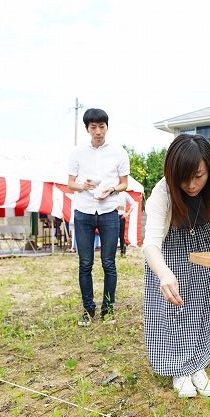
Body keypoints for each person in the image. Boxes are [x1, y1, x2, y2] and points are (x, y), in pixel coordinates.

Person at [143, 133, 210, 398]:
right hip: (170, 250)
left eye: (199, 176)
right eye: (183, 177)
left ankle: (198, 364)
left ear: (209, 169)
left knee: (204, 307)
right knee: (174, 311)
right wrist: (164, 274)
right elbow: (151, 244)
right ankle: (179, 369)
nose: (191, 184)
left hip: (204, 250)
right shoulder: (161, 193)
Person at [68, 108, 130, 326]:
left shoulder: (119, 152)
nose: (98, 131)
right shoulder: (77, 152)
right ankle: (88, 310)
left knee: (108, 262)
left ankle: (108, 309)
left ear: (107, 127)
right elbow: (70, 183)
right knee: (85, 263)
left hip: (109, 212)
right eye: (93, 127)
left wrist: (111, 190)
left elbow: (124, 183)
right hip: (84, 211)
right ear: (87, 129)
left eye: (101, 126)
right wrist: (82, 185)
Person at [115, 191, 136, 256]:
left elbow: (133, 204)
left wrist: (128, 213)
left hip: (120, 216)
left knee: (121, 235)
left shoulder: (124, 194)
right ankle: (111, 253)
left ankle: (122, 252)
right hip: (110, 216)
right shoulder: (110, 192)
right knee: (111, 235)